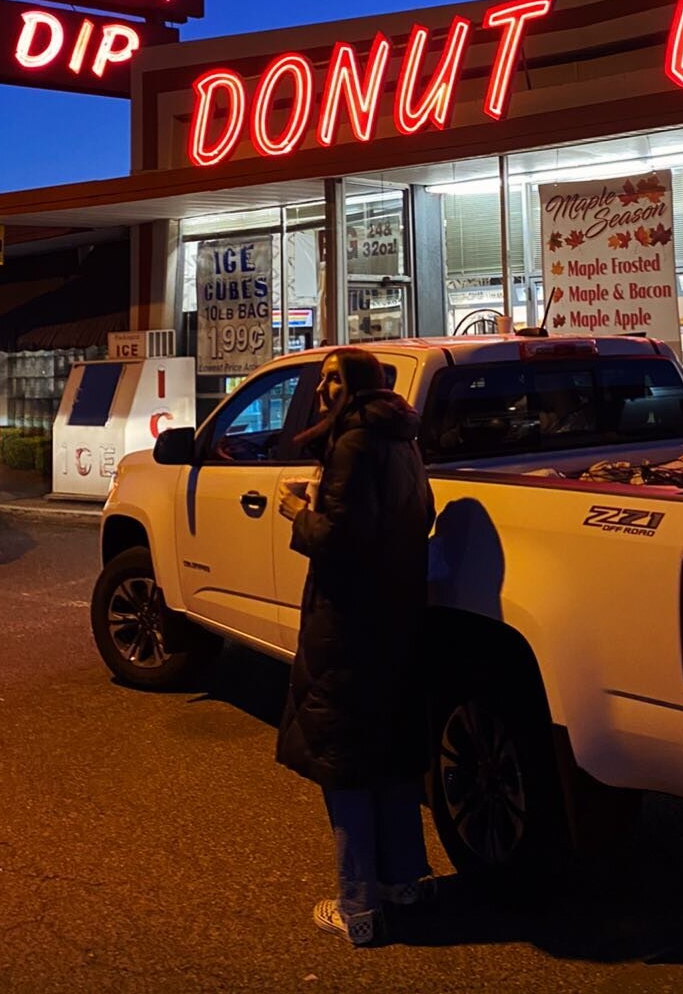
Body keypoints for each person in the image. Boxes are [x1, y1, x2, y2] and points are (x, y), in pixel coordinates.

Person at [276, 347, 436, 947]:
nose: (322, 390)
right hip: (397, 617)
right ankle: (403, 881)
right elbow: (419, 515)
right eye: (322, 380)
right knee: (390, 755)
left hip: (348, 622)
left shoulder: (352, 445)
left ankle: (357, 906)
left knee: (342, 759)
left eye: (333, 379)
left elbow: (337, 539)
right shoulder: (401, 439)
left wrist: (297, 510)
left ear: (358, 386)